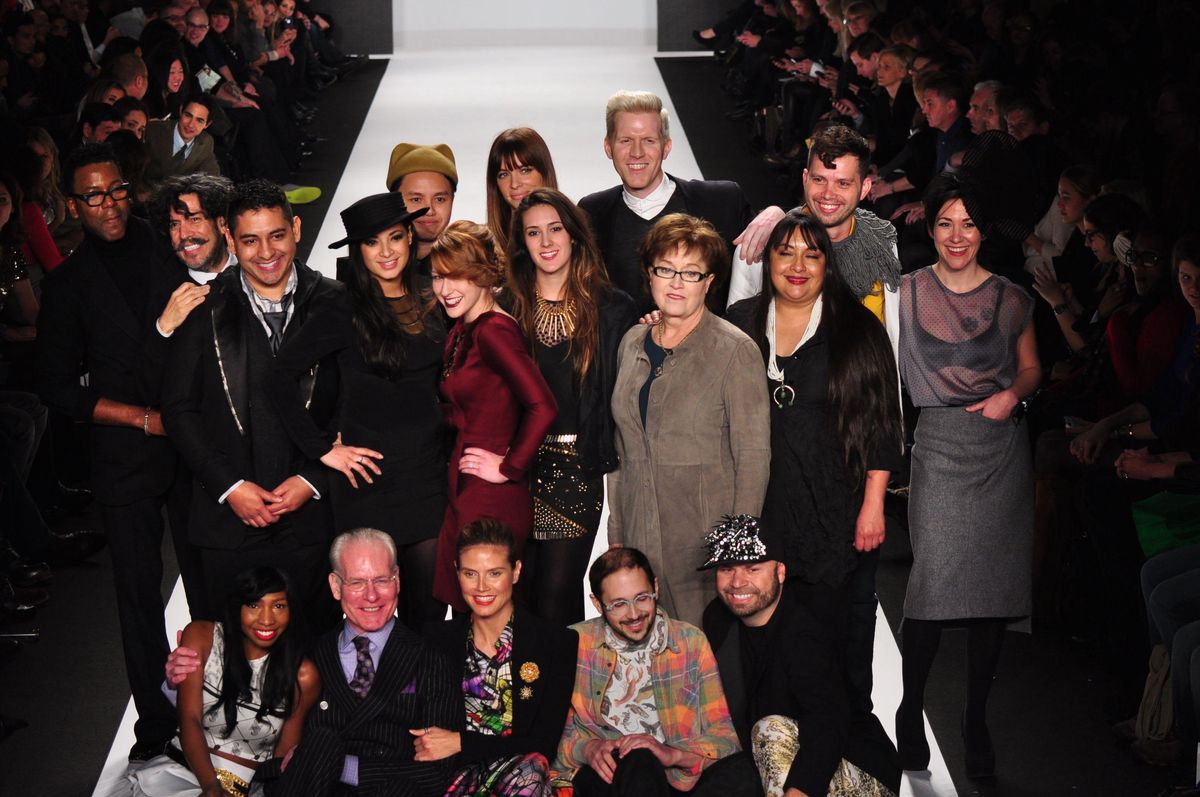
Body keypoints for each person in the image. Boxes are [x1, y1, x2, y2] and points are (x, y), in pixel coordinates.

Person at [35, 143, 183, 760]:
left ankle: (232, 705)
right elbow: (57, 387)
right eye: (93, 196)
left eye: (116, 189)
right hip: (126, 453)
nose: (108, 204)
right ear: (74, 205)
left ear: (130, 188)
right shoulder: (68, 285)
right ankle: (156, 724)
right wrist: (143, 419)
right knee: (139, 594)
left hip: (197, 442)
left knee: (216, 578)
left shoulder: (170, 242)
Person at [726, 211, 902, 712]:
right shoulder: (739, 322)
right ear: (769, 261)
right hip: (760, 511)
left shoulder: (857, 329)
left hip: (835, 515)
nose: (798, 265)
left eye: (812, 253)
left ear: (828, 264)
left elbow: (883, 423)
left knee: (831, 647)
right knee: (765, 651)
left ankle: (841, 757)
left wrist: (873, 505)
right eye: (786, 252)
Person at [896, 174, 1041, 779]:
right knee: (931, 586)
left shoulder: (1011, 297)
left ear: (983, 231)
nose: (958, 236)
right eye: (946, 223)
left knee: (992, 596)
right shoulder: (903, 294)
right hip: (937, 444)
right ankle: (909, 708)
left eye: (969, 223)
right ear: (930, 229)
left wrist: (1014, 396)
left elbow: (1032, 369)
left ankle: (974, 718)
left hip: (1000, 448)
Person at [161, 179, 345, 630]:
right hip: (227, 524)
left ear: (296, 228)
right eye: (250, 239)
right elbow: (179, 409)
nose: (266, 252)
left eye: (276, 235)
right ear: (230, 239)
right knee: (231, 673)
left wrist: (312, 478)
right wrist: (230, 487)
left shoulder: (337, 302)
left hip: (312, 522)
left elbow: (353, 405)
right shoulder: (201, 309)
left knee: (316, 660)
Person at [269, 192, 449, 628]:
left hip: (428, 478)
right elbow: (276, 378)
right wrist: (322, 450)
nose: (386, 252)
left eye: (395, 237)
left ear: (410, 238)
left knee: (428, 615)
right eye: (372, 242)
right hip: (367, 486)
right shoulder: (341, 307)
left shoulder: (436, 295)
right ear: (358, 250)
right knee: (370, 620)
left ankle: (423, 698)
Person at [608, 213, 769, 627]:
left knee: (707, 667)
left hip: (704, 546)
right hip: (640, 536)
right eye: (666, 269)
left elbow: (753, 456)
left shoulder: (734, 351)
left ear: (710, 282)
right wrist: (618, 539)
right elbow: (622, 450)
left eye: (691, 273)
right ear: (650, 274)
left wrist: (736, 553)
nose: (676, 283)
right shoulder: (631, 342)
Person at [504, 188, 638, 625]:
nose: (546, 242)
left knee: (558, 592)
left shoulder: (613, 308)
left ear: (574, 236)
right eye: (533, 233)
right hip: (516, 467)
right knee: (518, 591)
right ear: (521, 243)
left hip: (576, 466)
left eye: (555, 229)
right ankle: (525, 689)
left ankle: (564, 692)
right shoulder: (506, 308)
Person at [700, 515, 901, 797]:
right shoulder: (717, 619)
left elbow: (828, 719)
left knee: (769, 729)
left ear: (780, 572)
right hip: (778, 754)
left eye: (752, 568)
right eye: (727, 569)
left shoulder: (805, 628)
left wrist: (800, 791)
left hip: (852, 763)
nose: (737, 582)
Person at [552, 546, 758, 796]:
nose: (634, 614)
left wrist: (672, 755)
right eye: (618, 604)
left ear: (656, 589)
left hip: (679, 776)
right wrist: (587, 748)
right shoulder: (573, 643)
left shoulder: (690, 641)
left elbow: (725, 737)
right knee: (639, 761)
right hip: (611, 778)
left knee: (745, 772)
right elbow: (548, 739)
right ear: (597, 603)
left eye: (642, 598)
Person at [273, 528, 462, 795]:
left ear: (397, 580)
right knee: (320, 741)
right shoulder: (307, 655)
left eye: (382, 580)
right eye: (357, 582)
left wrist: (341, 766)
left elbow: (436, 774)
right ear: (336, 586)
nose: (371, 596)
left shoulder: (431, 659)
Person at [429, 221, 557, 613]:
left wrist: (509, 466)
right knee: (472, 618)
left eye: (458, 276)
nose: (445, 289)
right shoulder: (463, 329)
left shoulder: (493, 332)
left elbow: (543, 405)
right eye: (437, 276)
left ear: (483, 275)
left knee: (488, 615)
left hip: (492, 498)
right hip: (466, 490)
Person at [132, 566, 319, 796]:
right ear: (237, 607)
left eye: (279, 606)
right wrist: (211, 787)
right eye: (254, 605)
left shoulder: (303, 675)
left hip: (245, 788)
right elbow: (189, 718)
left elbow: (282, 758)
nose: (267, 619)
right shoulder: (202, 636)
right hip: (180, 772)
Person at [422, 519, 577, 796]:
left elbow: (543, 743)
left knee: (530, 769)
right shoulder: (434, 641)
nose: (482, 587)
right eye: (470, 574)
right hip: (449, 779)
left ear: (516, 571)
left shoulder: (555, 643)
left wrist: (462, 742)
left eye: (494, 573)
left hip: (522, 780)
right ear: (457, 572)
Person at [579, 90, 753, 311]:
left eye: (649, 141)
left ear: (666, 147)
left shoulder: (721, 201)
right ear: (608, 147)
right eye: (626, 140)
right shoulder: (592, 213)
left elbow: (779, 251)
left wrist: (776, 214)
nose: (637, 152)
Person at [486, 127, 558, 255]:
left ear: (544, 172)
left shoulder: (572, 233)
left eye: (524, 170)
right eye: (503, 175)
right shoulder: (484, 246)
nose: (514, 184)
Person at [386, 142, 457, 272]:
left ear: (452, 200)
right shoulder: (367, 270)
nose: (429, 210)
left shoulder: (475, 267)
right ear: (393, 202)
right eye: (416, 199)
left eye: (440, 199)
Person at [144, 94, 222, 182]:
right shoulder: (153, 130)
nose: (191, 125)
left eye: (199, 121)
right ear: (181, 110)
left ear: (207, 124)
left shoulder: (206, 142)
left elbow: (212, 177)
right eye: (188, 115)